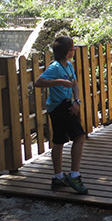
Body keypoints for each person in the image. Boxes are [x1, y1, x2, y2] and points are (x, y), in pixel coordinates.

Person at [34, 36, 88, 195]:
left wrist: (77, 101)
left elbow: (75, 84)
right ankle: (74, 175)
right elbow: (38, 82)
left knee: (59, 141)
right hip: (59, 107)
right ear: (67, 53)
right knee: (79, 137)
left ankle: (58, 177)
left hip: (67, 104)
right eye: (73, 49)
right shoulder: (55, 67)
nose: (75, 50)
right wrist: (58, 82)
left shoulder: (69, 65)